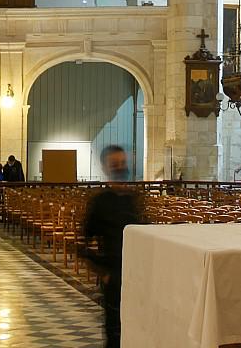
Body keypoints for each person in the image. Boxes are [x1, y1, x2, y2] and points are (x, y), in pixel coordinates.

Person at [83, 145, 143, 348]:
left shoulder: (133, 199)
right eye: (115, 164)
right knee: (114, 331)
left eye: (123, 163)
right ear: (106, 167)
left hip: (136, 276)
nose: (120, 168)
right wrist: (104, 272)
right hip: (113, 277)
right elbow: (83, 243)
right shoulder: (100, 202)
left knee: (136, 328)